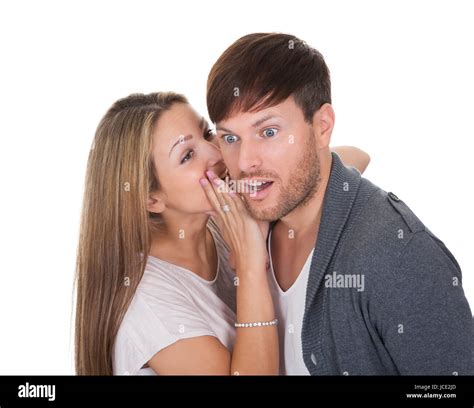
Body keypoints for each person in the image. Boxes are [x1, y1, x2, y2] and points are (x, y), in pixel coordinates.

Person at [206, 32, 473, 375]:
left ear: (322, 126)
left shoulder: (398, 256)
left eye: (268, 132)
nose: (245, 162)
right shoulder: (250, 220)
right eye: (230, 138)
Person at [74, 91, 369, 375]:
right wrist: (250, 265)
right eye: (187, 155)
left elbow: (355, 158)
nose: (216, 153)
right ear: (151, 199)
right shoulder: (148, 307)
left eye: (206, 133)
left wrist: (272, 198)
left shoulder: (224, 220)